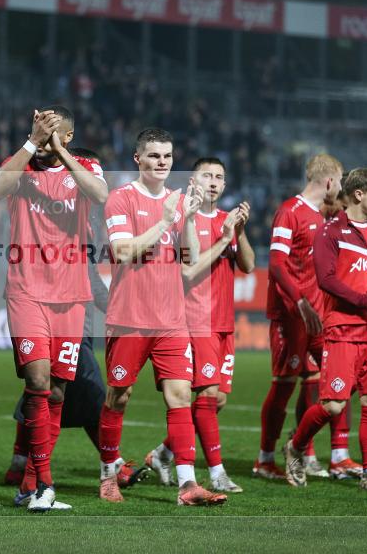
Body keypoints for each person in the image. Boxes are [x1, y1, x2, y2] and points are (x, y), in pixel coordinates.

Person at [3, 149, 147, 490]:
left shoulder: (86, 217)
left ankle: (22, 464)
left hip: (72, 315)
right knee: (91, 395)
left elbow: (90, 274)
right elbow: (91, 279)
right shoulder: (66, 214)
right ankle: (112, 465)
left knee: (51, 393)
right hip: (65, 318)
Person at [97, 128, 225, 507]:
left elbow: (189, 259)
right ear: (138, 159)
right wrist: (166, 220)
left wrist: (187, 217)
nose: (162, 162)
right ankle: (107, 474)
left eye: (167, 156)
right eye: (153, 155)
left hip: (171, 319)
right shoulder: (120, 199)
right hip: (130, 318)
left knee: (180, 395)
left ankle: (188, 485)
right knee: (119, 396)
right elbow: (122, 252)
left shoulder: (176, 200)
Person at [0, 106, 108, 512]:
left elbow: (99, 194)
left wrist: (59, 148)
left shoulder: (87, 166)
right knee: (38, 381)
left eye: (55, 129)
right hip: (26, 291)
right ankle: (45, 484)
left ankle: (29, 482)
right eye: (40, 125)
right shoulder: (20, 167)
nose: (44, 134)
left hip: (71, 297)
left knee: (58, 387)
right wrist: (32, 142)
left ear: (70, 135)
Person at [284, 168, 367, 492]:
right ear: (358, 195)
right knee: (334, 405)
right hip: (341, 331)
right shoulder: (330, 232)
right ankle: (295, 447)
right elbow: (327, 280)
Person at [144, 157, 255, 493]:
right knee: (207, 394)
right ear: (193, 181)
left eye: (219, 177)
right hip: (195, 320)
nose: (213, 182)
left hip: (224, 324)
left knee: (216, 400)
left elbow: (248, 265)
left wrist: (239, 230)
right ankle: (217, 473)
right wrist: (223, 239)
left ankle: (162, 453)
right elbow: (188, 272)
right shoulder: (181, 221)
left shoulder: (227, 221)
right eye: (206, 175)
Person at [254, 154, 361, 481]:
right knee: (285, 387)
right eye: (340, 181)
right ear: (329, 181)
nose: (340, 189)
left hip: (320, 317)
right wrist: (299, 301)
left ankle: (330, 454)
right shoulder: (290, 212)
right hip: (292, 317)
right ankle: (265, 459)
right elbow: (276, 264)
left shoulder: (325, 218)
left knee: (339, 382)